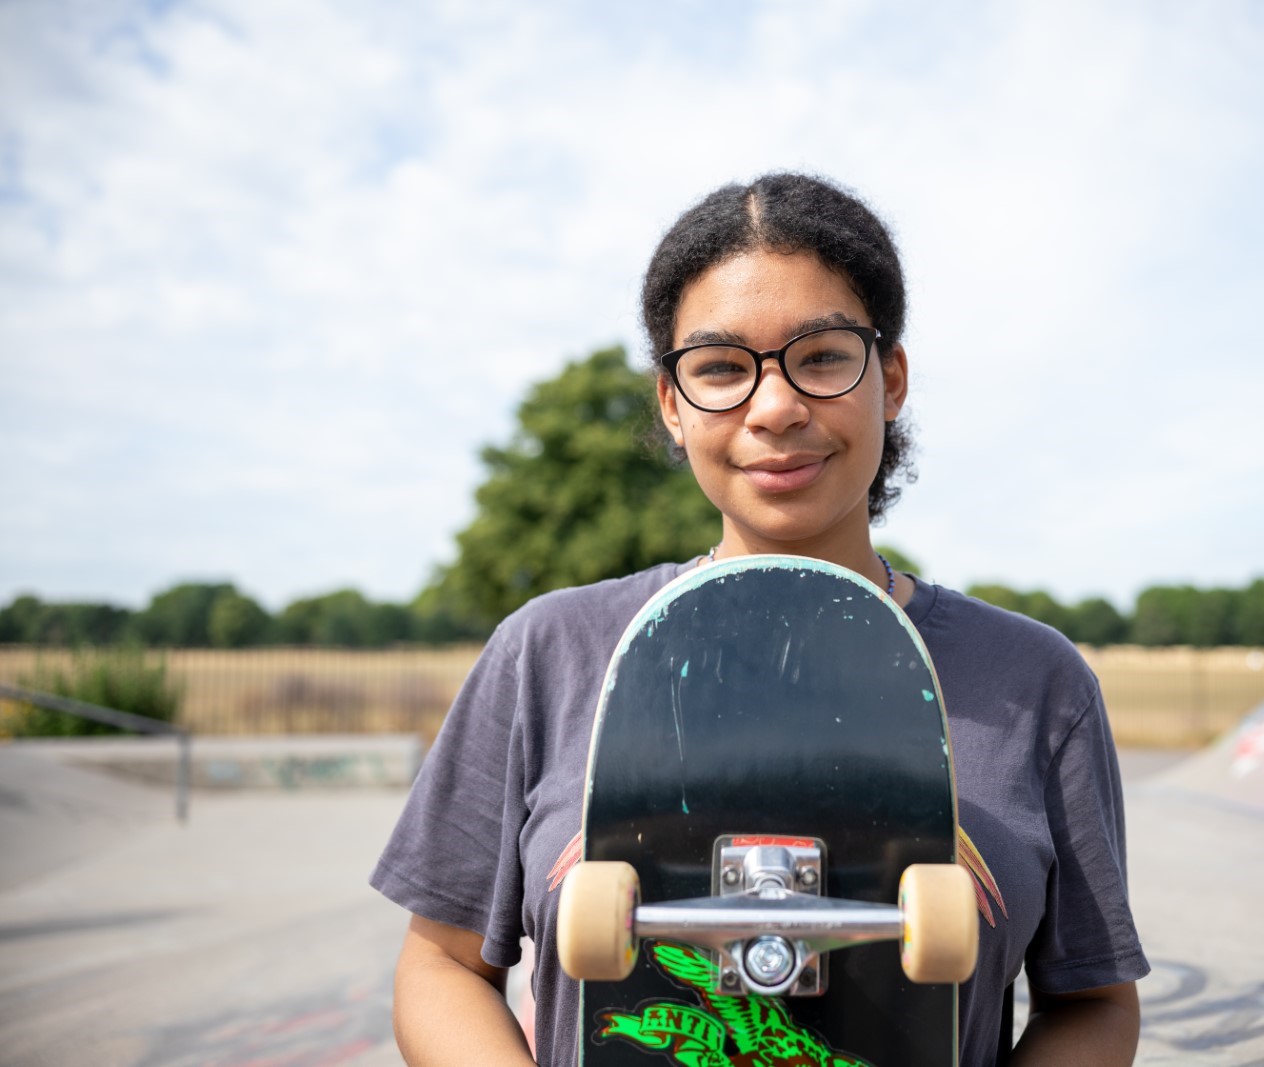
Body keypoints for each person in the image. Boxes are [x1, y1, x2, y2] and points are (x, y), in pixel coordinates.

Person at [371, 173, 1149, 1066]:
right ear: (672, 403)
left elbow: (1090, 1002)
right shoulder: (551, 652)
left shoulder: (1034, 684)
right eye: (720, 369)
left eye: (821, 356)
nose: (774, 407)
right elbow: (441, 964)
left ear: (889, 380)